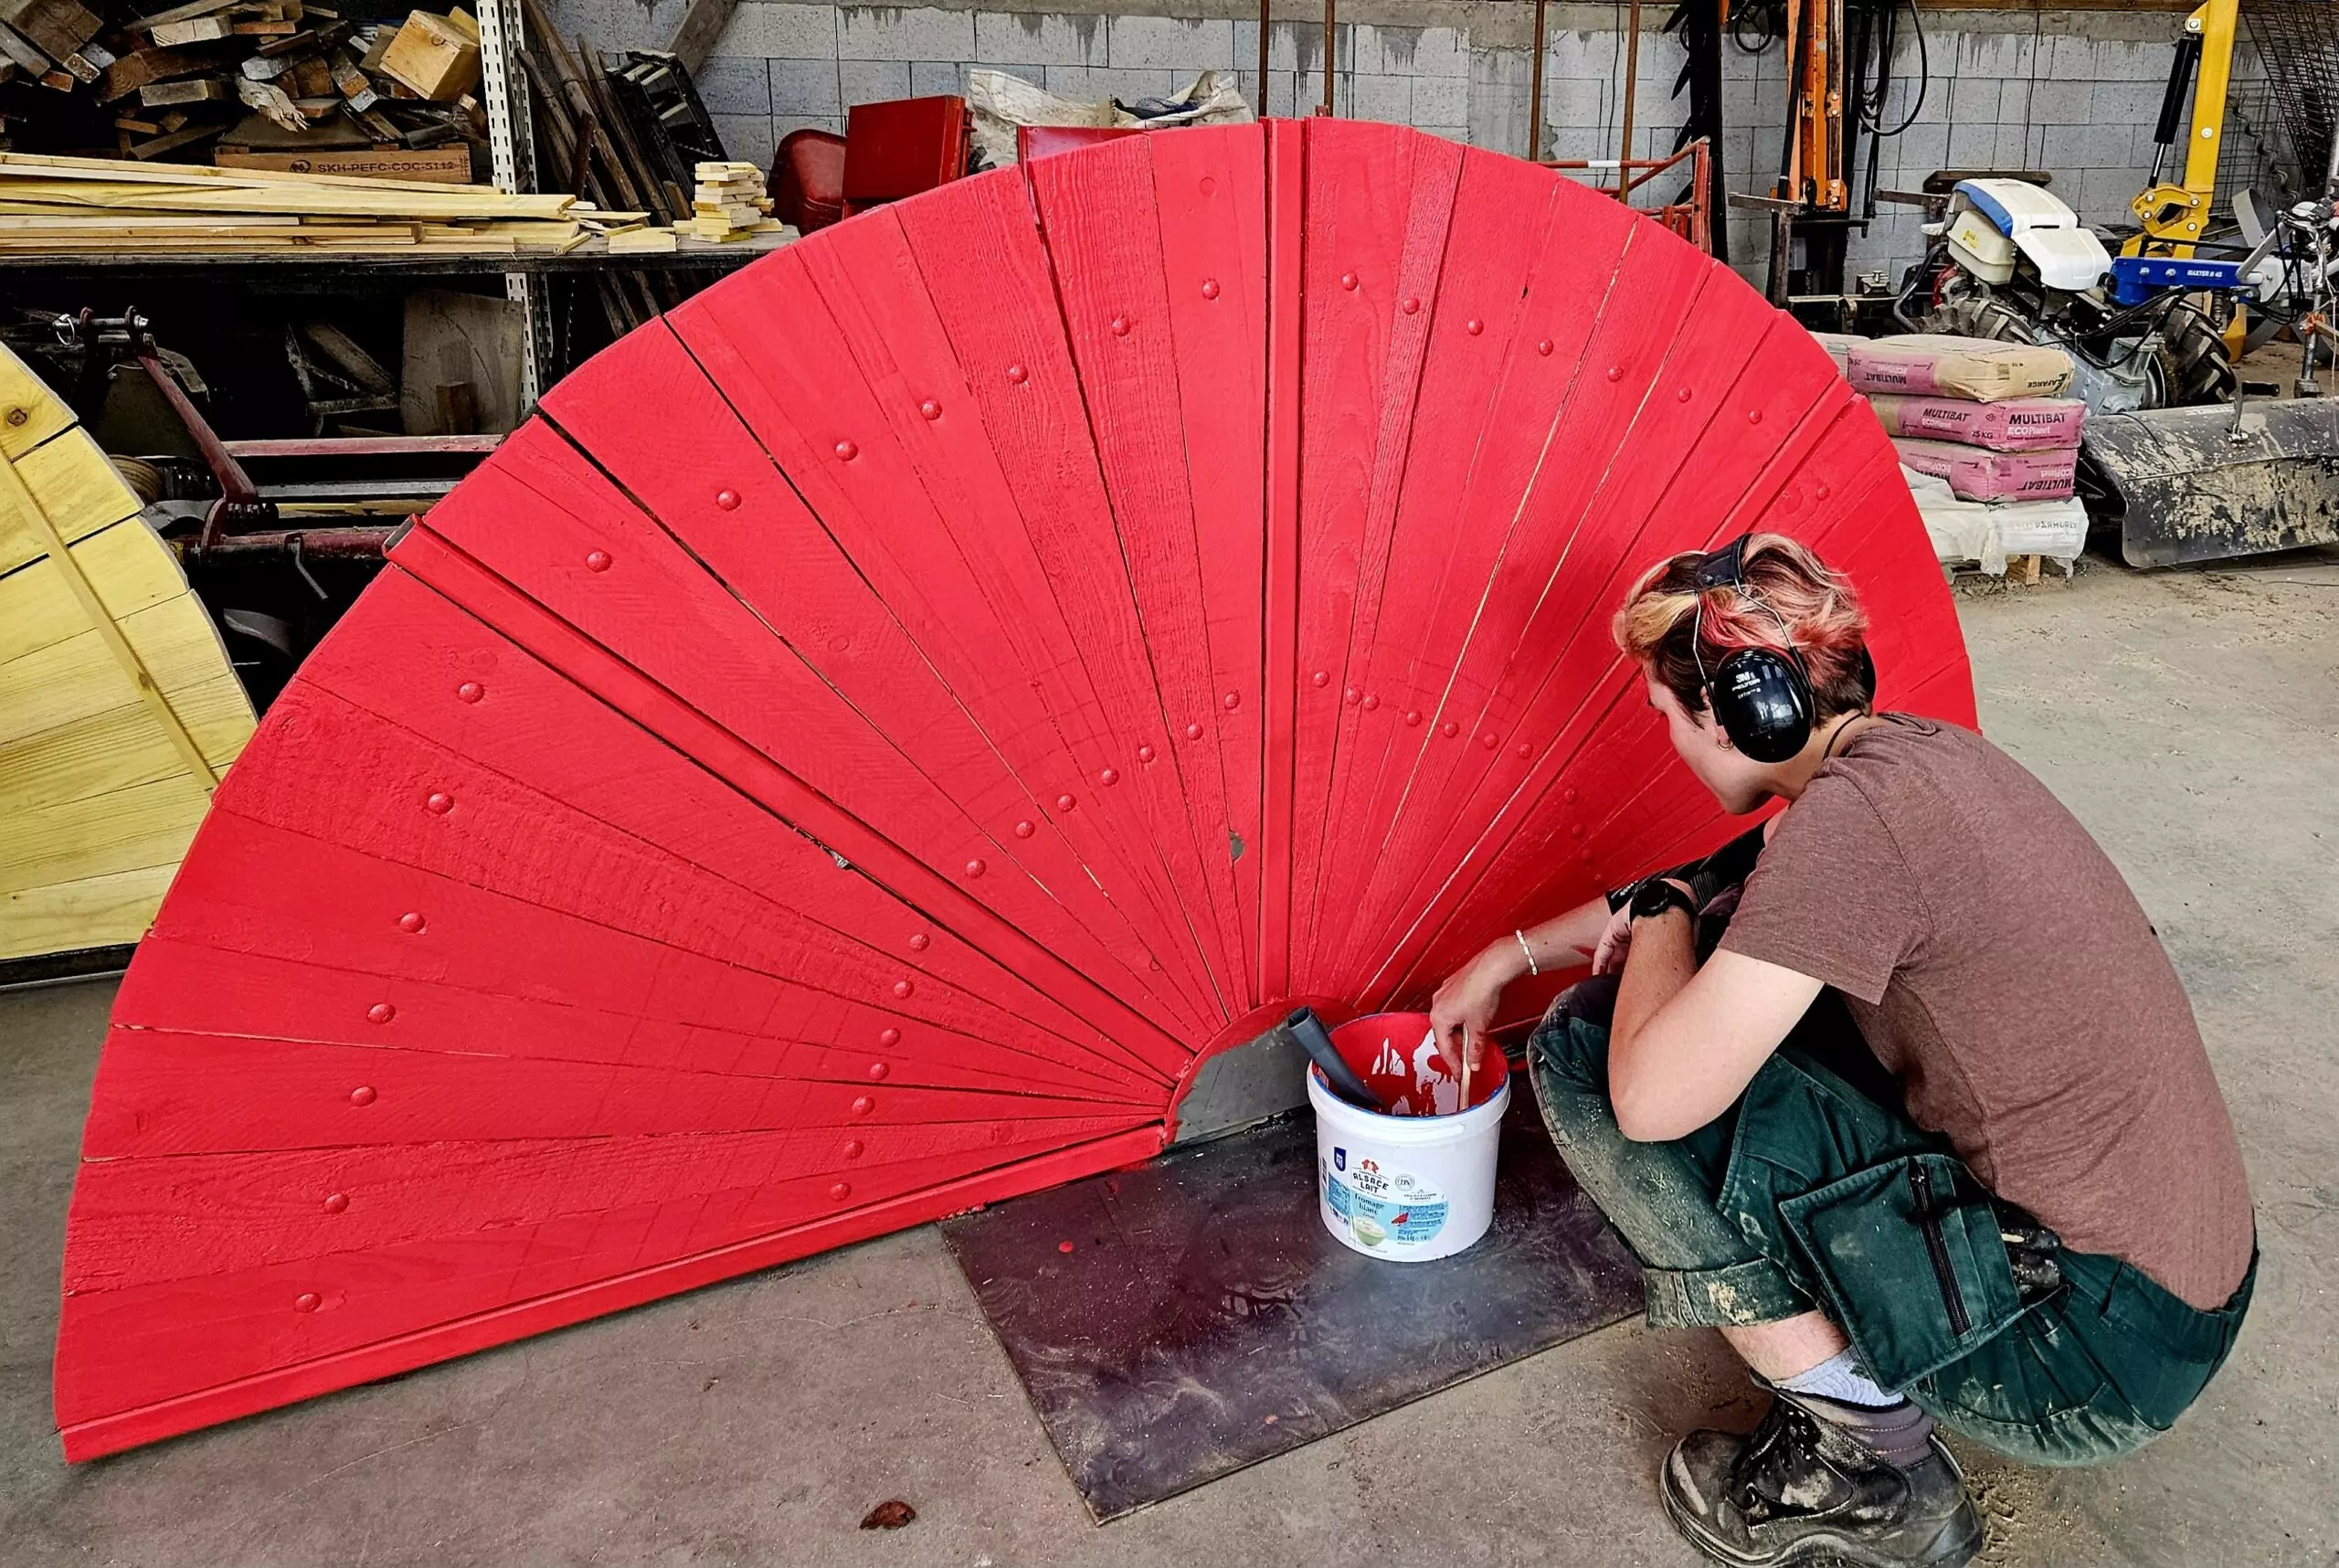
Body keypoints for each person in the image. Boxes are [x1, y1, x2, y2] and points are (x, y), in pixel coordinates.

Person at [1429, 533, 2254, 1568]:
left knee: (1593, 1057)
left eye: (1663, 716)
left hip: (2085, 1358)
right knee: (1726, 957)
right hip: (2179, 1295)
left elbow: (1646, 1099)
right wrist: (1508, 954)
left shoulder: (1851, 834)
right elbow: (1713, 876)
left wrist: (1658, 923)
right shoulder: (1905, 761)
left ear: (1735, 718)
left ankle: (1870, 1468)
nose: (1669, 742)